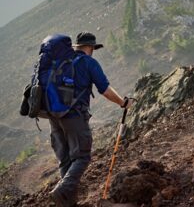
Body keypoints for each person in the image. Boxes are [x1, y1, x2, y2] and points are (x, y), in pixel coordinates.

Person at [49, 32, 134, 207]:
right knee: (82, 157)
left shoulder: (60, 61)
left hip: (53, 116)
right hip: (74, 116)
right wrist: (123, 103)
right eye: (93, 48)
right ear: (90, 47)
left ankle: (68, 204)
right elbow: (105, 90)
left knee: (66, 160)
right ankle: (62, 190)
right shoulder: (88, 62)